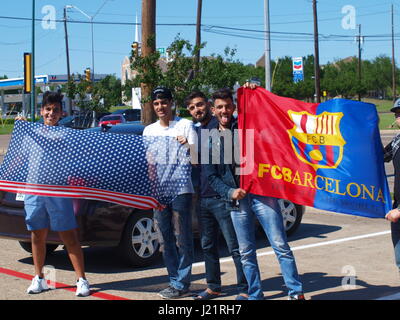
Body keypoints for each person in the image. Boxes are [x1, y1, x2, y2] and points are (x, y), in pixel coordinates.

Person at [204, 88, 305, 300]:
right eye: (220, 107)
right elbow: (210, 176)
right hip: (236, 202)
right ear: (213, 110)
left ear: (234, 107)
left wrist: (253, 90)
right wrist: (230, 192)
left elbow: (265, 113)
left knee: (280, 244)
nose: (224, 110)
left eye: (228, 106)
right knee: (246, 252)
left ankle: (295, 292)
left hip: (262, 194)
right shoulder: (208, 138)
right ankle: (255, 294)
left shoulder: (245, 125)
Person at [19, 91, 90, 297]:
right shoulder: (30, 133)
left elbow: (77, 160)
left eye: (55, 110)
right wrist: (22, 129)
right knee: (37, 235)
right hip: (34, 191)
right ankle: (39, 278)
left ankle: (81, 280)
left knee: (68, 235)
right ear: (41, 111)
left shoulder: (67, 135)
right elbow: (20, 160)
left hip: (58, 190)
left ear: (61, 113)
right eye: (48, 109)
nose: (51, 113)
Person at [185, 91, 248, 300]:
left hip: (223, 197)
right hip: (203, 198)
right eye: (193, 107)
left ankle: (244, 289)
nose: (197, 110)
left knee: (234, 246)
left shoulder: (220, 127)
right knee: (208, 245)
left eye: (200, 105)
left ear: (208, 107)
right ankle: (213, 286)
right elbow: (199, 163)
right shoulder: (197, 131)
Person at [143, 86, 196, 299]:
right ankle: (174, 280)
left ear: (171, 103)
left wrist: (188, 145)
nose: (160, 106)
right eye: (156, 103)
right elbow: (149, 164)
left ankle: (182, 282)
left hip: (181, 189)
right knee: (165, 239)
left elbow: (197, 157)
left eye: (164, 102)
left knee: (182, 237)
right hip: (159, 192)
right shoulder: (149, 130)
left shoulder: (185, 125)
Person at [383, 101, 400, 275]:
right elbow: (380, 157)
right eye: (396, 113)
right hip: (396, 210)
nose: (398, 116)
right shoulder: (397, 141)